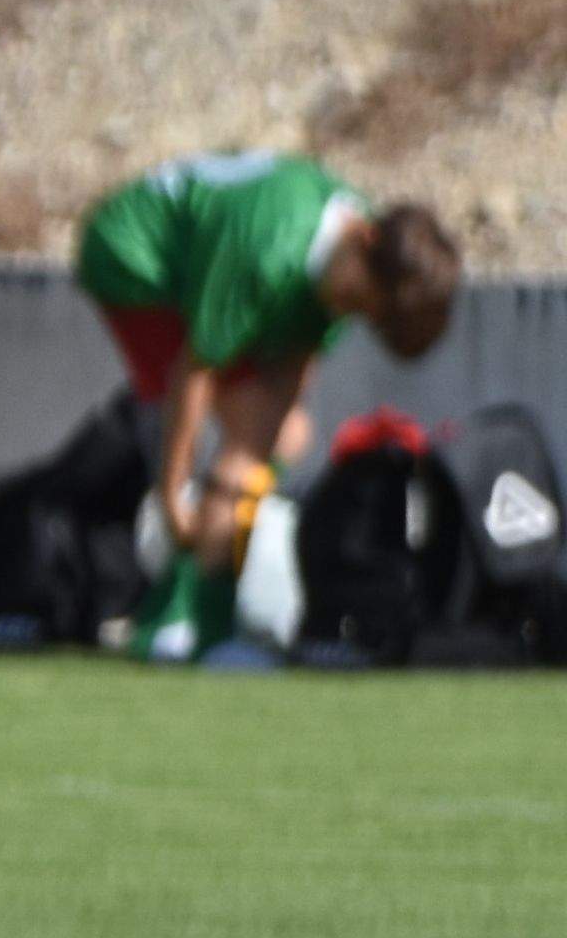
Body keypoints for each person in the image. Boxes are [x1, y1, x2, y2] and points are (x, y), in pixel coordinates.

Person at [72, 152, 459, 660]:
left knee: (280, 436)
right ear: (362, 239)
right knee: (247, 441)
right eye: (358, 301)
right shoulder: (268, 250)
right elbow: (195, 371)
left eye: (369, 316)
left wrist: (278, 431)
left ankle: (194, 601)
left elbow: (303, 349)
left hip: (210, 266)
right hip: (132, 256)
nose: (353, 314)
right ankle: (191, 620)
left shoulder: (363, 258)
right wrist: (173, 495)